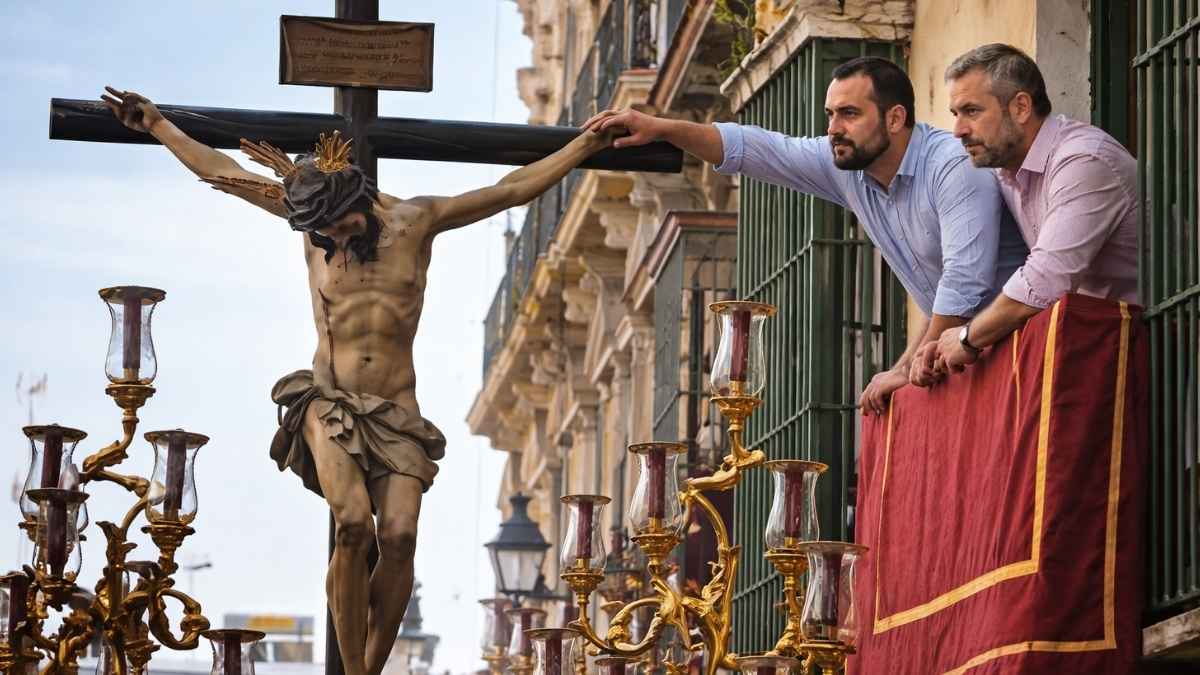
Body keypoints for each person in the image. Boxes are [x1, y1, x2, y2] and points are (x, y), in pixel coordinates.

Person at [100, 87, 615, 675]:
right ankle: (353, 670)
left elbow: (509, 189)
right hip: (329, 400)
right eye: (323, 236)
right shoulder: (313, 224)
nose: (335, 242)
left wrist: (585, 144)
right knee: (352, 526)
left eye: (342, 228)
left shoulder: (417, 222)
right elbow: (223, 170)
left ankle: (370, 666)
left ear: (360, 198)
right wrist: (160, 124)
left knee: (398, 537)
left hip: (397, 407)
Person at [582, 57, 1027, 414]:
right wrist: (662, 129)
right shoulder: (848, 167)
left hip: (1021, 346)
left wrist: (905, 367)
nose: (834, 128)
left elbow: (965, 283)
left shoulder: (952, 165)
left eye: (850, 114)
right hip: (966, 358)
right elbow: (757, 149)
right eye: (831, 114)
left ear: (895, 118)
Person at [929, 44, 1139, 372]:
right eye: (956, 115)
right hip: (1103, 352)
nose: (958, 131)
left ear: (1021, 107)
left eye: (972, 111)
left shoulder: (1083, 160)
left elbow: (1045, 281)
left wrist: (967, 338)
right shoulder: (1004, 170)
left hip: (1165, 343)